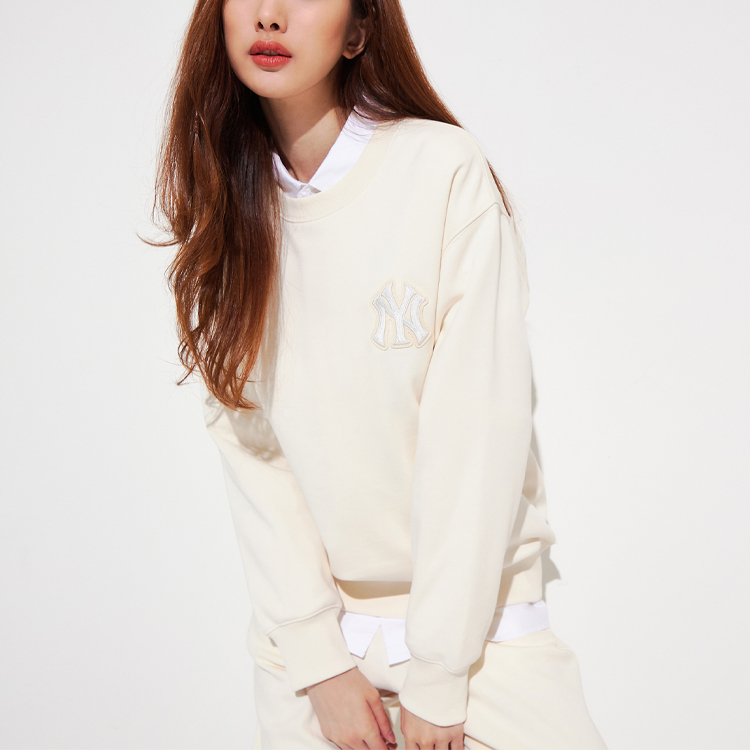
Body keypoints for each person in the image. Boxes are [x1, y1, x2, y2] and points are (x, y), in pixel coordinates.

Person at [147, 0, 609, 747]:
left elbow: (475, 436)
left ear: (359, 30)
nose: (270, 16)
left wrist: (439, 673)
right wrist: (319, 663)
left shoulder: (440, 169)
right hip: (315, 662)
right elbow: (253, 450)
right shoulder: (228, 203)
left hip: (482, 648)